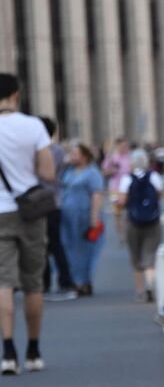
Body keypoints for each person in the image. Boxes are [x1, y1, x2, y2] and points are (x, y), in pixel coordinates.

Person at [0, 73, 55, 374]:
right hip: (30, 212)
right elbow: (47, 172)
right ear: (16, 95)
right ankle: (33, 350)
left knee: (3, 282)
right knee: (33, 282)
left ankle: (8, 352)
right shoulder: (33, 126)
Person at [117, 148, 164, 303]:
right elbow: (160, 195)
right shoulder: (154, 176)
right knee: (150, 255)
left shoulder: (127, 179)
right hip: (153, 221)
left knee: (136, 257)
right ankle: (150, 284)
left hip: (133, 222)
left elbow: (122, 202)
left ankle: (140, 290)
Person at [60, 142, 105, 296]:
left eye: (74, 154)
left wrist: (94, 217)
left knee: (85, 250)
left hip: (84, 216)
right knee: (69, 248)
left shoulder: (92, 173)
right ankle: (75, 280)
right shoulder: (69, 171)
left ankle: (84, 281)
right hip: (68, 217)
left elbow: (96, 194)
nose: (71, 156)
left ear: (84, 156)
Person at [39, 116, 76, 300]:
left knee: (42, 244)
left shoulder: (41, 150)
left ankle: (44, 282)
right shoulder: (59, 150)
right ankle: (64, 279)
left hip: (39, 201)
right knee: (56, 243)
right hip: (56, 200)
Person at [102, 138, 132, 243]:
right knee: (118, 213)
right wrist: (112, 171)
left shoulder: (129, 157)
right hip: (115, 189)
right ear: (118, 146)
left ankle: (129, 233)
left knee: (129, 212)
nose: (125, 148)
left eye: (126, 146)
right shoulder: (112, 158)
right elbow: (105, 172)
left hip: (128, 189)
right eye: (123, 146)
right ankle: (122, 235)